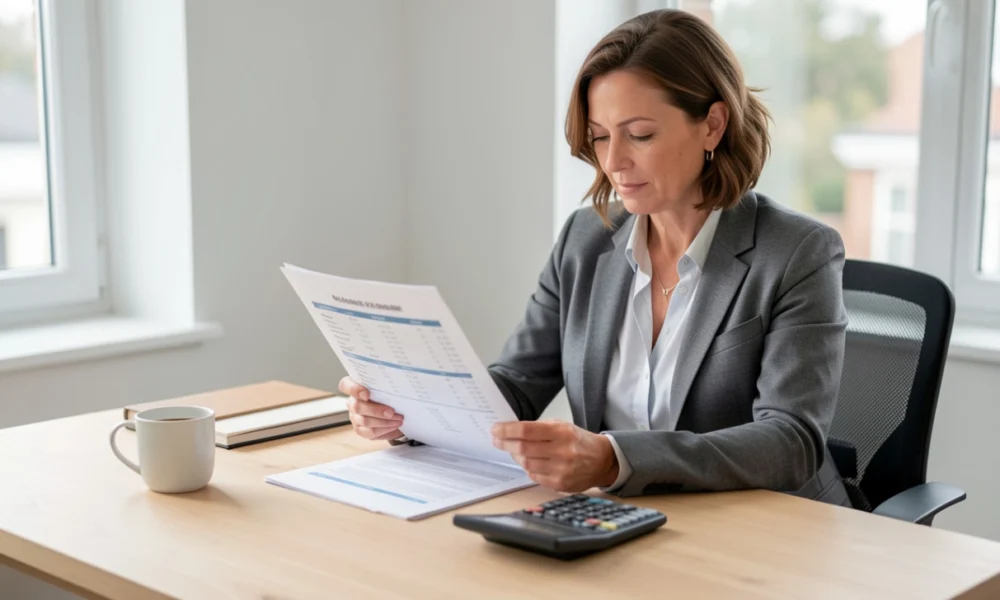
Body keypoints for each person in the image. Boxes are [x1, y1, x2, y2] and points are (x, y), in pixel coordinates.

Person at [339, 9, 850, 505]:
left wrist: (614, 459)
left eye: (641, 134)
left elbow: (790, 440)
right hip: (620, 520)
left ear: (713, 125)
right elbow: (517, 386)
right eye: (601, 137)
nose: (612, 162)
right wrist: (409, 411)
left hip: (765, 533)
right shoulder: (586, 239)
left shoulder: (798, 253)